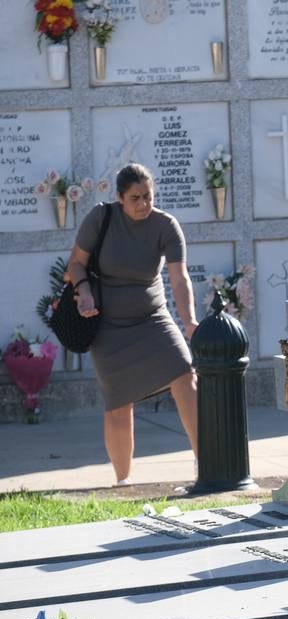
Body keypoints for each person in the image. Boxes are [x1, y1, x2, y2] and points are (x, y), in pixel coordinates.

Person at [66, 164, 199, 486]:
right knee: (118, 404)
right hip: (107, 325)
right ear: (120, 198)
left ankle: (207, 462)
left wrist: (189, 322)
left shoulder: (166, 225)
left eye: (148, 196)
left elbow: (179, 279)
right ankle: (123, 482)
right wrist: (84, 293)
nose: (143, 204)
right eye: (135, 198)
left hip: (152, 318)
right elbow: (76, 263)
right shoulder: (101, 218)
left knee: (184, 373)